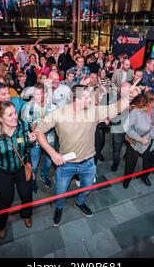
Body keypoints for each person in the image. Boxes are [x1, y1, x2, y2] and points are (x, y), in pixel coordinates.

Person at [36, 83, 140, 226]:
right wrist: (52, 153)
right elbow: (39, 131)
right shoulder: (58, 113)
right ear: (75, 98)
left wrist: (128, 97)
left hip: (88, 163)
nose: (90, 100)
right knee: (60, 193)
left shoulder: (93, 111)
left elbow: (115, 109)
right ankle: (59, 208)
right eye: (86, 97)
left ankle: (79, 203)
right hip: (66, 165)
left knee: (87, 188)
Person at [0, 101, 35, 239]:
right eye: (10, 115)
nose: (15, 116)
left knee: (27, 194)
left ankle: (26, 215)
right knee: (6, 199)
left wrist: (29, 141)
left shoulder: (23, 126)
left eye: (15, 112)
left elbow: (26, 147)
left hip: (21, 168)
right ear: (0, 118)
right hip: (1, 171)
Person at [123, 91, 154, 188]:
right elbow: (127, 128)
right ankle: (127, 179)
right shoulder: (135, 112)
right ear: (148, 101)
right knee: (130, 163)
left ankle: (144, 176)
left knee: (150, 162)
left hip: (151, 142)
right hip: (136, 143)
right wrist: (140, 139)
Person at [21, 84, 58, 193]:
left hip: (50, 138)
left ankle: (44, 175)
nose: (35, 97)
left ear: (45, 94)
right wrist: (29, 132)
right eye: (34, 94)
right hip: (35, 140)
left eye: (38, 94)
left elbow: (58, 123)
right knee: (35, 163)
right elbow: (24, 124)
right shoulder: (28, 107)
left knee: (48, 161)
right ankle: (33, 179)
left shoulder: (54, 107)